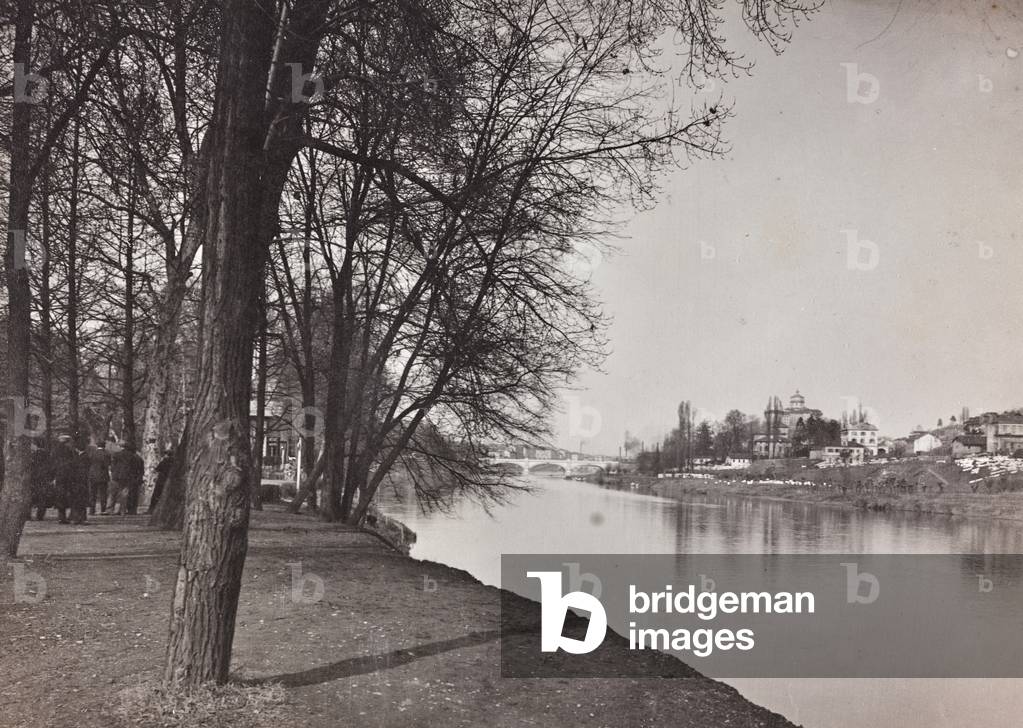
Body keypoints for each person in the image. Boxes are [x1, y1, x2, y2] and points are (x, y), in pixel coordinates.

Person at [111, 441, 145, 515]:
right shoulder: (132, 456)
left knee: (119, 492)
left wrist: (114, 474)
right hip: (129, 476)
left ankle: (119, 510)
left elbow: (113, 466)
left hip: (119, 476)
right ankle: (123, 510)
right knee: (126, 493)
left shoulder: (117, 454)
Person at [51, 435, 76, 524]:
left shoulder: (55, 450)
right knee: (70, 495)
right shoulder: (69, 450)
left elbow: (53, 464)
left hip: (58, 475)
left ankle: (61, 517)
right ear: (67, 441)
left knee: (60, 496)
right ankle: (71, 516)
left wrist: (53, 476)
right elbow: (72, 463)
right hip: (68, 475)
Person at [67, 437, 91, 525]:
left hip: (78, 482)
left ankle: (77, 518)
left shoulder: (81, 458)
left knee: (77, 500)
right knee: (81, 500)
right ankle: (81, 518)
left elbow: (79, 470)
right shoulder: (85, 456)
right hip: (82, 482)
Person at [29, 441, 54, 521]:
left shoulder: (33, 455)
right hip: (44, 478)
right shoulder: (47, 454)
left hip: (34, 479)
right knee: (42, 498)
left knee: (31, 497)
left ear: (36, 445)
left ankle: (27, 515)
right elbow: (51, 467)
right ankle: (40, 515)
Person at [86, 438, 111, 515]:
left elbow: (88, 463)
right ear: (104, 445)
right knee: (103, 493)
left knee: (92, 494)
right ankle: (103, 510)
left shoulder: (92, 453)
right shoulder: (107, 454)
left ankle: (92, 510)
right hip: (103, 476)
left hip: (93, 475)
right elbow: (108, 464)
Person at [148, 447, 174, 514]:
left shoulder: (164, 461)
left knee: (156, 494)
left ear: (166, 454)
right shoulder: (174, 461)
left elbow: (157, 469)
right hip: (170, 480)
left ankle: (152, 510)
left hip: (162, 480)